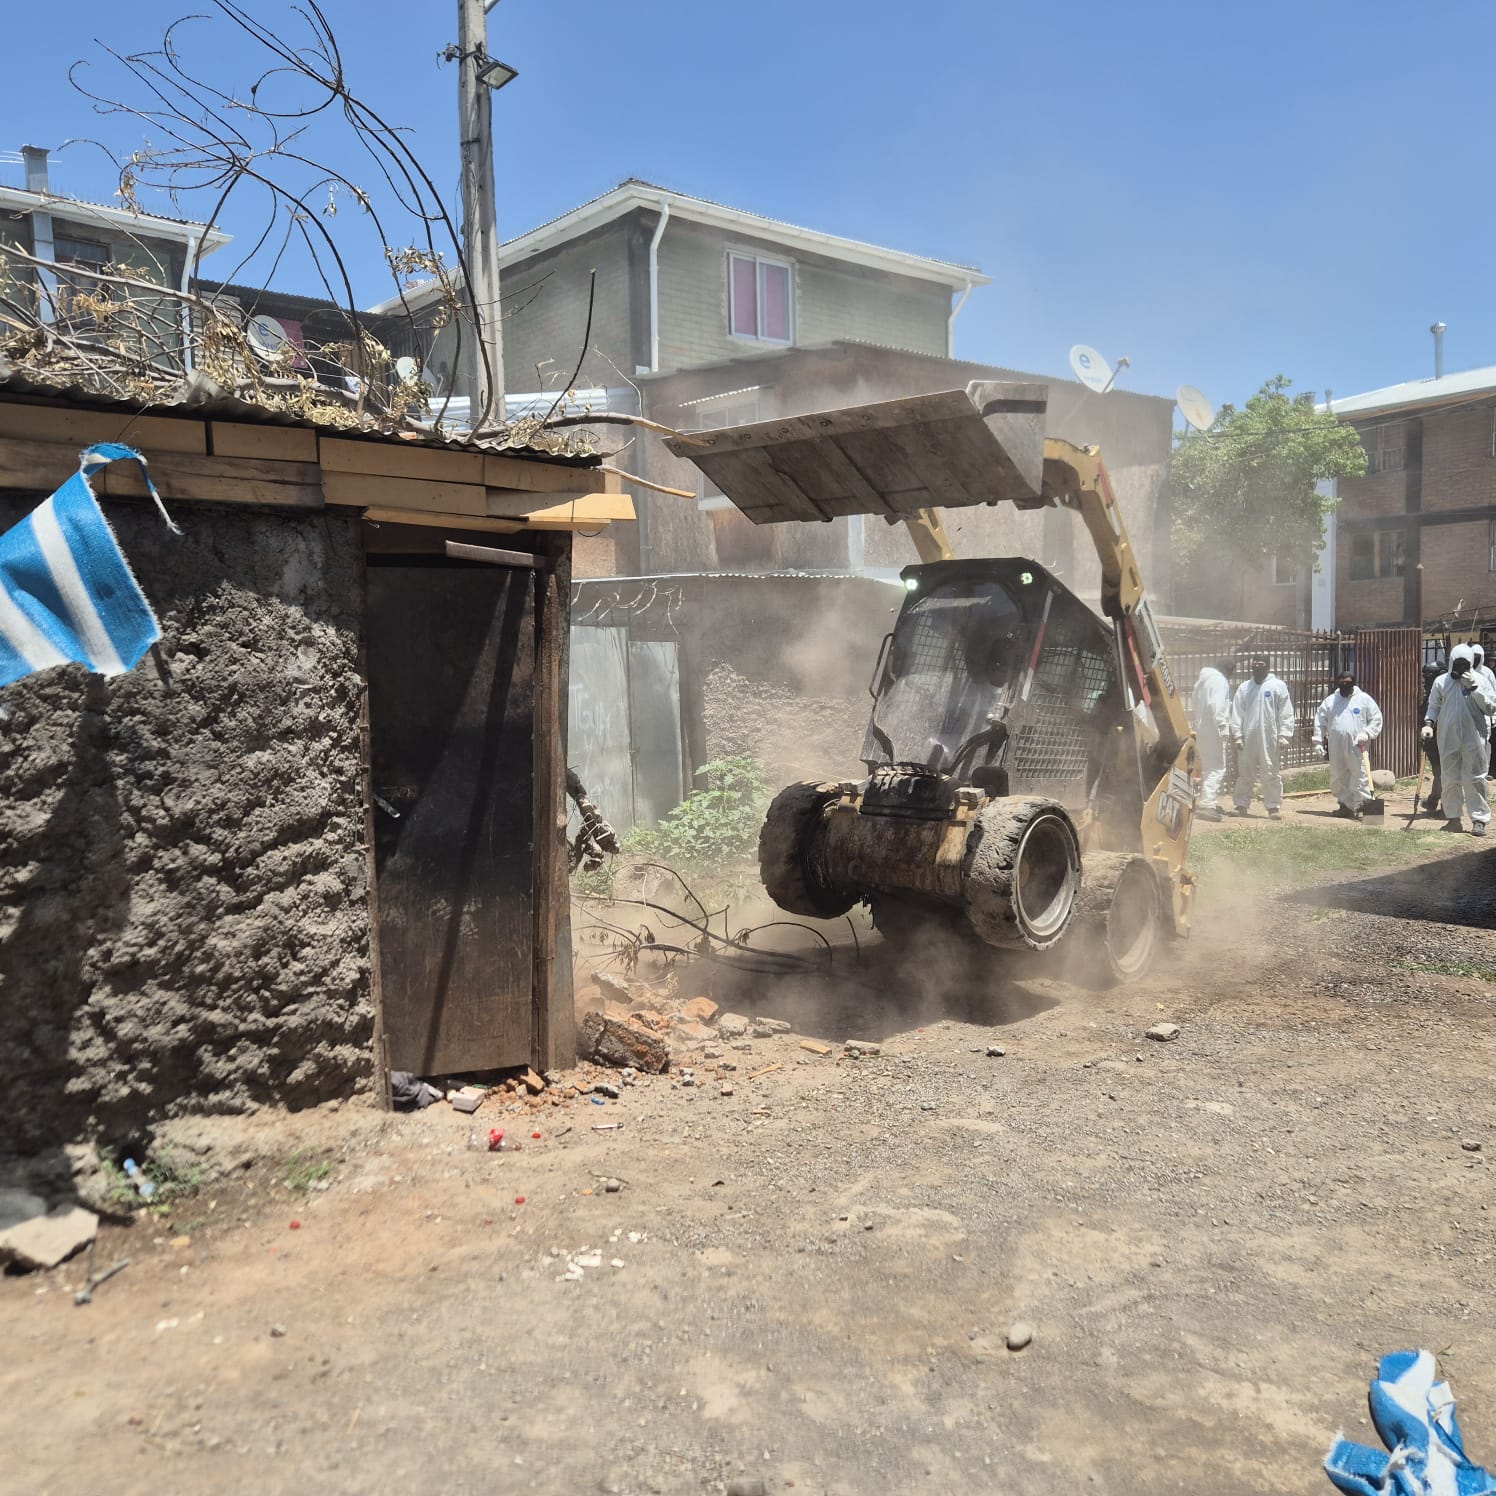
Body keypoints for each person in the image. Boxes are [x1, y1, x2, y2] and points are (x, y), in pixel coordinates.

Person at [1423, 643, 1496, 836]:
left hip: (1474, 737)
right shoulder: (1441, 682)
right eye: (1457, 664)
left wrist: (1474, 688)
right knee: (1449, 778)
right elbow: (1434, 705)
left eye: (1465, 665)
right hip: (1448, 736)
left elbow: (1491, 708)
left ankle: (1479, 819)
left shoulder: (1480, 680)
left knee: (1475, 778)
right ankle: (1453, 818)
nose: (1460, 669)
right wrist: (1429, 723)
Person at [1231, 655, 1296, 818]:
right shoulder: (1244, 688)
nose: (1258, 668)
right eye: (1255, 665)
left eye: (1261, 665)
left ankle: (1273, 806)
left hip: (1270, 738)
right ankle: (1241, 804)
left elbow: (1286, 712)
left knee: (1271, 772)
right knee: (1245, 773)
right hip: (1248, 738)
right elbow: (1237, 713)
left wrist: (1284, 735)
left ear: (1267, 667)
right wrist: (1237, 735)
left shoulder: (1277, 686)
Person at [1312, 671, 1383, 818]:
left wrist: (1368, 732)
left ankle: (1366, 808)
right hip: (1335, 745)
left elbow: (1376, 719)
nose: (1345, 685)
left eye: (1348, 683)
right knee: (1339, 776)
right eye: (1342, 683)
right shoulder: (1331, 700)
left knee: (1361, 775)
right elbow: (1320, 721)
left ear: (1354, 683)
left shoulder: (1364, 700)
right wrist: (1318, 741)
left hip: (1357, 746)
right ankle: (1345, 806)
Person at [1191, 658, 1232, 821]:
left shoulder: (1202, 680)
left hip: (1202, 729)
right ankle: (1208, 805)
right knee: (1216, 768)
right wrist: (1223, 728)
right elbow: (1217, 705)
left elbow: (1195, 703)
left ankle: (1206, 801)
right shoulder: (1220, 681)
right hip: (1213, 730)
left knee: (1207, 767)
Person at [1419, 662, 1444, 817]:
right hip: (1432, 740)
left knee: (1443, 774)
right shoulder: (1431, 691)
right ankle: (1433, 801)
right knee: (1439, 773)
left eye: (1430, 674)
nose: (1427, 678)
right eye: (1425, 675)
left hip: (1444, 738)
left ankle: (1445, 805)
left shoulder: (1444, 690)